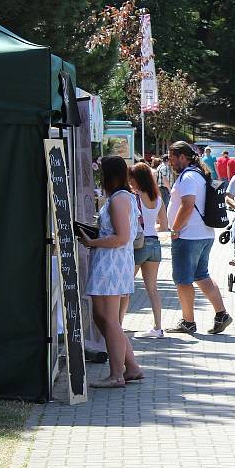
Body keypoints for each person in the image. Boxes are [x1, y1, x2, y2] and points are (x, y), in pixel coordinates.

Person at [77, 156, 144, 388]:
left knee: (109, 320)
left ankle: (117, 375)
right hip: (114, 263)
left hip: (111, 264)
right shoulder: (124, 197)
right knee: (104, 318)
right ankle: (131, 367)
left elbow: (122, 237)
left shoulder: (118, 199)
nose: (100, 178)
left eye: (102, 173)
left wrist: (91, 242)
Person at [164, 141, 233, 335]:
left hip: (188, 236)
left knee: (183, 280)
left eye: (172, 158)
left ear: (183, 157)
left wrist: (175, 229)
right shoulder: (199, 174)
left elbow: (187, 205)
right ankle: (221, 314)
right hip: (204, 234)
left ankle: (188, 322)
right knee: (201, 276)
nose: (170, 162)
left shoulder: (187, 177)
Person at [120, 162, 168, 338]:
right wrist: (149, 223)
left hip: (138, 244)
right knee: (152, 288)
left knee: (125, 285)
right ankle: (158, 327)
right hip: (155, 244)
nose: (130, 182)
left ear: (137, 179)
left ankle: (118, 324)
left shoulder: (134, 197)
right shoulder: (158, 198)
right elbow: (164, 226)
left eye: (131, 179)